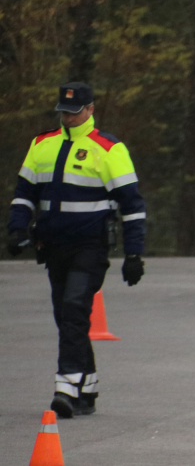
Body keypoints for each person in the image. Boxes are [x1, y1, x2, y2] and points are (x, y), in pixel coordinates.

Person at [7, 82, 146, 417]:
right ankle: (88, 386)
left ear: (90, 109)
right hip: (53, 246)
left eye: (75, 112)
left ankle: (65, 387)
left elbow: (132, 205)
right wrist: (15, 228)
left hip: (90, 246)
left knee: (73, 309)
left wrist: (133, 254)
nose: (68, 118)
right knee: (66, 316)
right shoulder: (41, 144)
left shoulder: (109, 148)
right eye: (64, 112)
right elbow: (24, 191)